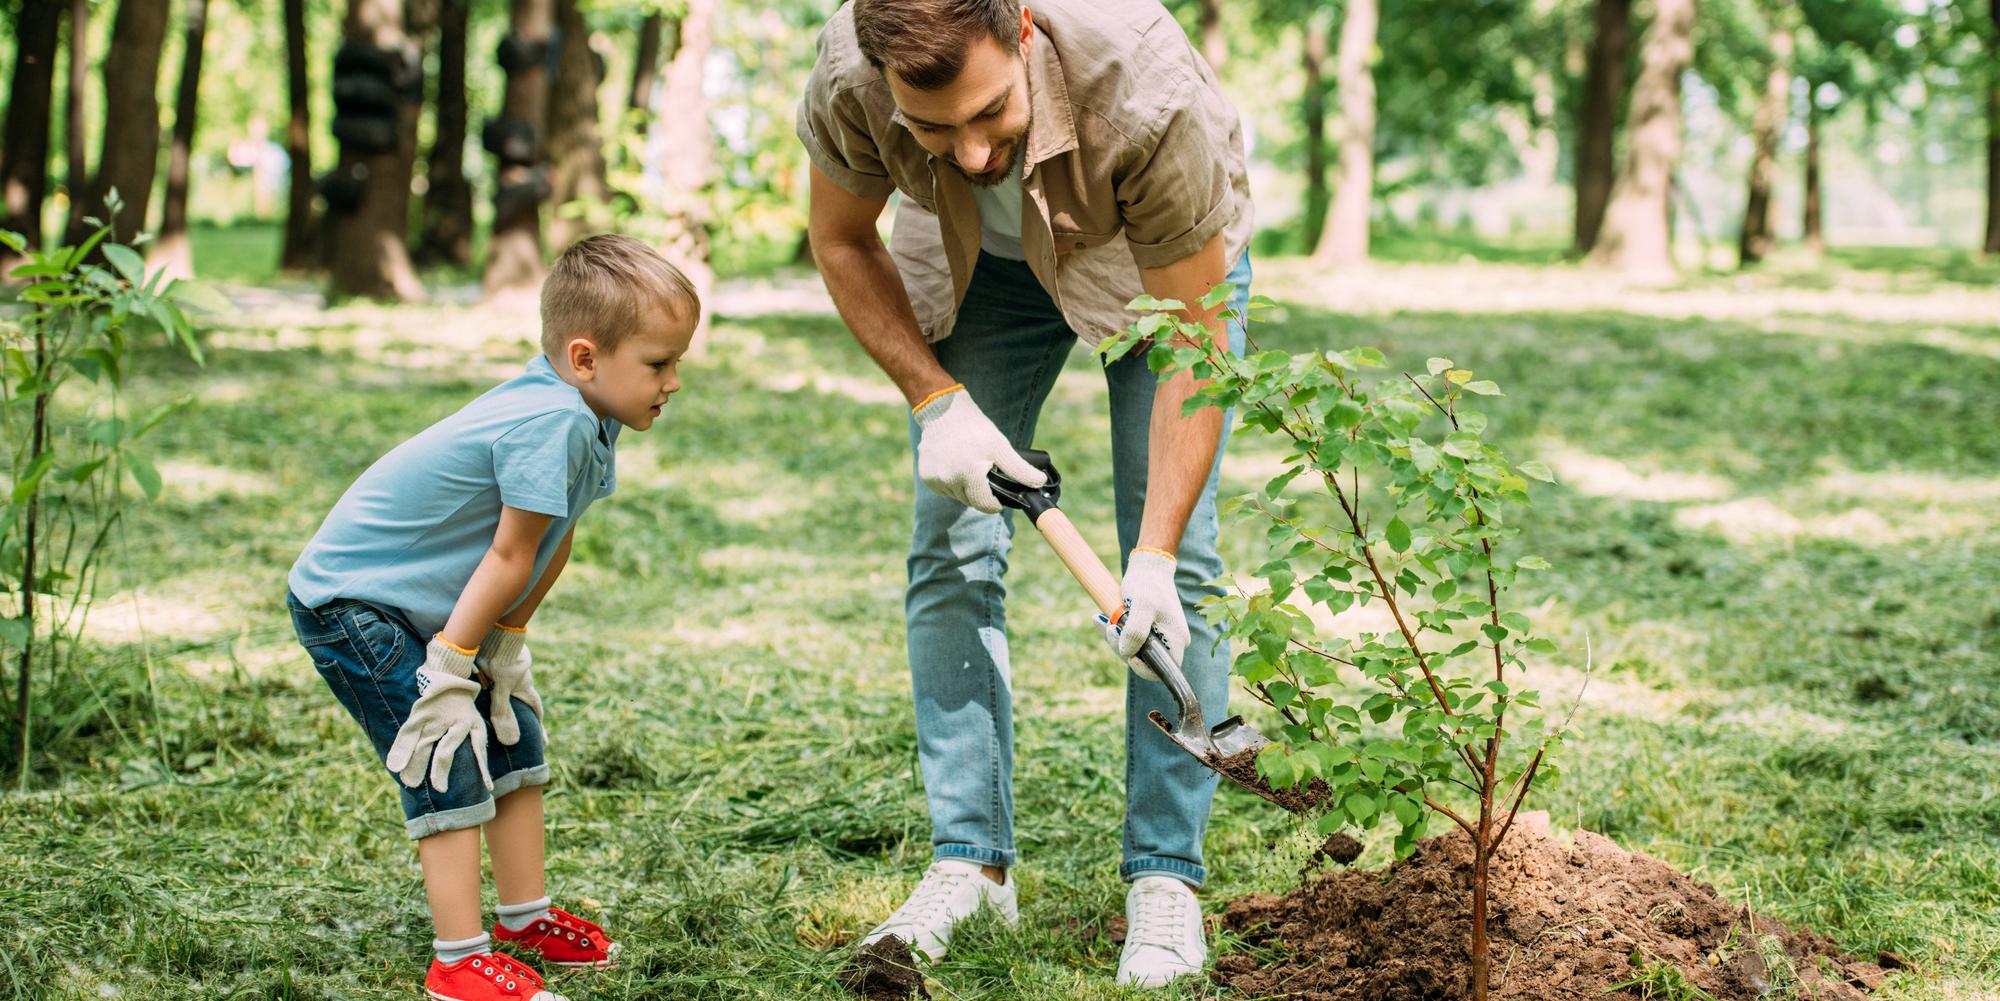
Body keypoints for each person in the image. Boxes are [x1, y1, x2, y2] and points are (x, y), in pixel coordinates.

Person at [797, 0, 1253, 986]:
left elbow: (1193, 334)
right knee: (949, 548)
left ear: (1025, 36)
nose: (966, 154)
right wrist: (937, 401)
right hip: (980, 268)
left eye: (989, 113)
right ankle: (971, 861)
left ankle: (1163, 877)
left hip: (1149, 265)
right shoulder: (849, 71)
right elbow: (839, 238)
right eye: (932, 127)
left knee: (1182, 565)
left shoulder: (1141, 86)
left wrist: (1155, 558)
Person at [284, 235, 698, 1001]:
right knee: (445, 753)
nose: (674, 381)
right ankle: (458, 961)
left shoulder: (591, 414)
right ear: (585, 358)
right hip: (353, 602)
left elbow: (553, 537)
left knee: (513, 733)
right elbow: (509, 554)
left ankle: (522, 916)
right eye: (658, 362)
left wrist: (506, 644)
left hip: (439, 611)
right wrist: (448, 668)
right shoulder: (554, 420)